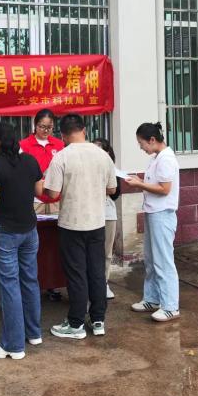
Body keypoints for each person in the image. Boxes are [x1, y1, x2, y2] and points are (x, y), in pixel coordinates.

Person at [44, 113, 117, 339]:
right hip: (97, 222)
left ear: (62, 135)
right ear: (84, 130)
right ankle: (98, 320)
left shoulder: (61, 157)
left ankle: (76, 323)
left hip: (71, 224)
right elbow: (112, 189)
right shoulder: (103, 155)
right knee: (96, 272)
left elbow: (52, 193)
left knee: (76, 274)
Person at [0, 122, 45, 360]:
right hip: (29, 228)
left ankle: (13, 345)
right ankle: (34, 333)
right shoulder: (30, 161)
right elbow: (39, 191)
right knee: (29, 279)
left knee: (9, 285)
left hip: (5, 231)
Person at [126, 122, 181, 323]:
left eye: (141, 143)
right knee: (151, 259)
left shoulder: (166, 159)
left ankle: (170, 306)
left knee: (163, 261)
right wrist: (140, 181)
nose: (141, 147)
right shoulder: (157, 158)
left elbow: (165, 189)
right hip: (153, 212)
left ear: (152, 140)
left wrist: (140, 184)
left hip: (162, 213)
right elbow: (156, 183)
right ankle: (152, 298)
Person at [19, 108, 65, 302]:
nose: (45, 131)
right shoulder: (24, 145)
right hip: (35, 200)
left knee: (54, 244)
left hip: (56, 200)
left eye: (49, 127)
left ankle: (53, 284)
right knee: (34, 245)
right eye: (41, 127)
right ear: (34, 125)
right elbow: (20, 170)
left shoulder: (59, 145)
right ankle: (34, 283)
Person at [93, 138, 122, 300]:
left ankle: (103, 283)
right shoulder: (86, 168)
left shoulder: (113, 169)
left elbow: (116, 193)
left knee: (106, 251)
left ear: (108, 153)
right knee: (91, 252)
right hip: (90, 214)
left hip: (108, 213)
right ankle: (91, 284)